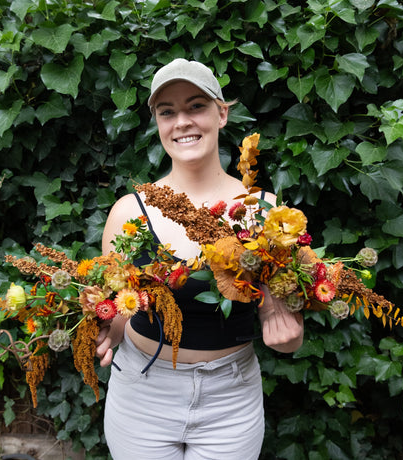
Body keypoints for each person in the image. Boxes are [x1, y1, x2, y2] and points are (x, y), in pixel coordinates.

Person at [96, 58, 304, 460]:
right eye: (167, 112)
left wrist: (288, 333)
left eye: (196, 106)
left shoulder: (265, 213)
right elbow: (120, 304)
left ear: (222, 113)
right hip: (142, 394)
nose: (182, 122)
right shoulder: (128, 212)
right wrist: (108, 328)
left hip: (231, 400)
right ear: (157, 123)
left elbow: (282, 325)